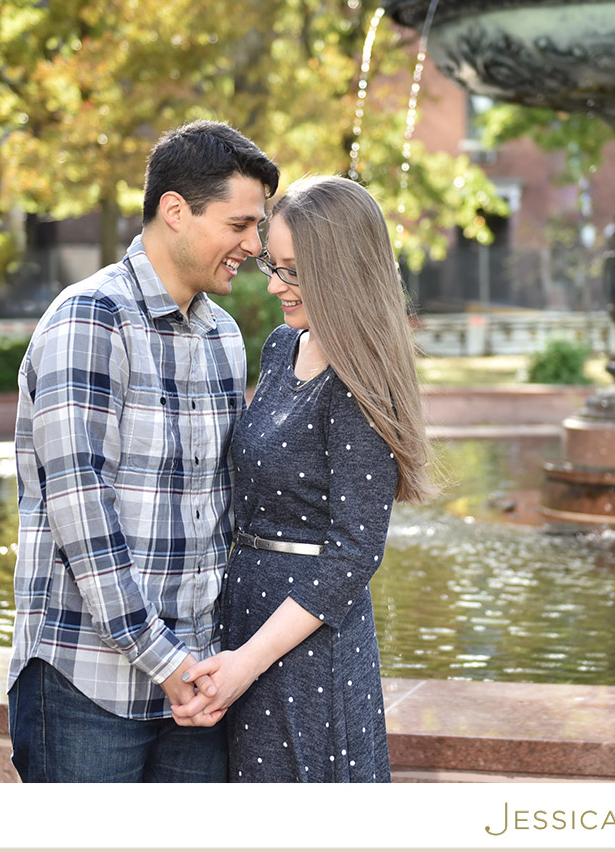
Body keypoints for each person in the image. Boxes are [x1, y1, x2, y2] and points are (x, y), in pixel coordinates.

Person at [6, 120, 279, 782]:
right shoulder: (89, 319)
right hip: (86, 686)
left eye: (259, 226)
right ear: (176, 210)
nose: (255, 245)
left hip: (196, 690)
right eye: (240, 224)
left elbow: (220, 513)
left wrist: (213, 663)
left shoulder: (224, 337)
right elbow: (84, 519)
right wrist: (165, 660)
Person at [174, 175, 434, 782]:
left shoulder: (357, 379)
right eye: (273, 263)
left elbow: (353, 556)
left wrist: (246, 663)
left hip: (303, 648)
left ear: (338, 269)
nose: (272, 284)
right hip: (243, 621)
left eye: (291, 270)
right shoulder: (281, 347)